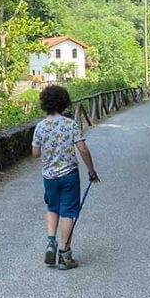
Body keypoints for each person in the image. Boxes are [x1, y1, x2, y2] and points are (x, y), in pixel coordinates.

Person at [32, 84, 99, 270]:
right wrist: (91, 171)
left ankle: (50, 241)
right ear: (64, 102)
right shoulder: (70, 124)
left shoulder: (40, 126)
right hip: (69, 174)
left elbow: (35, 153)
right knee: (68, 212)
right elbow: (83, 150)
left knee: (52, 208)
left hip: (49, 176)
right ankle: (64, 254)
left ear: (44, 103)